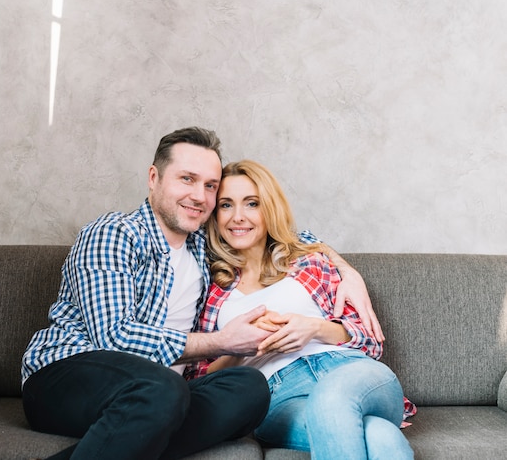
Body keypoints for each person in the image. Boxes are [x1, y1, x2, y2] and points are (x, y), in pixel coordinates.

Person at [21, 128, 384, 460]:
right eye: (187, 179)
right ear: (154, 178)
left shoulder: (202, 244)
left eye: (210, 186)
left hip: (159, 397)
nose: (199, 196)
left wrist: (345, 269)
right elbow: (115, 337)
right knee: (161, 388)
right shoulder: (115, 232)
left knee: (250, 388)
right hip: (67, 378)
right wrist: (222, 342)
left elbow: (282, 235)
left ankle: (124, 441)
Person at [187, 160, 416, 460]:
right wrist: (241, 346)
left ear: (269, 209)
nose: (238, 217)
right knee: (381, 437)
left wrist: (314, 327)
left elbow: (369, 342)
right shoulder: (210, 288)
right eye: (226, 205)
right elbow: (197, 381)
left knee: (334, 399)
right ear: (215, 215)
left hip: (348, 369)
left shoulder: (308, 261)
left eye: (252, 203)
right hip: (279, 397)